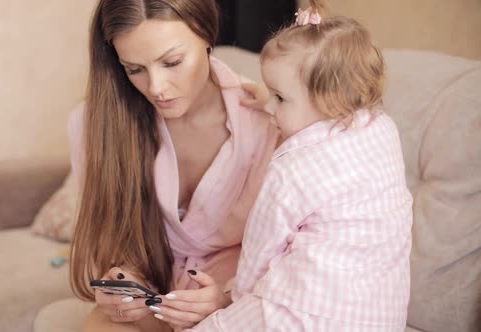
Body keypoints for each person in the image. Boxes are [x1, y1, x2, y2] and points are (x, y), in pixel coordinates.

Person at [190, 1, 413, 331]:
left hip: (306, 311)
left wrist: (236, 298)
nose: (271, 106)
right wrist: (271, 97)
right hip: (380, 315)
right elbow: (311, 112)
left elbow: (261, 246)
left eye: (279, 97)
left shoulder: (292, 167)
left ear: (328, 99)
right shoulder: (381, 129)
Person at [66, 0, 278, 330]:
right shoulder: (95, 124)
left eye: (173, 62)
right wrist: (120, 282)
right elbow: (109, 238)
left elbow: (295, 252)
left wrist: (229, 297)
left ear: (207, 37)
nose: (156, 88)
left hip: (240, 300)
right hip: (153, 298)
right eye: (134, 69)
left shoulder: (271, 121)